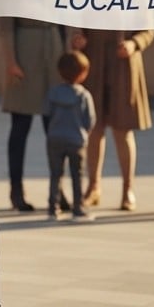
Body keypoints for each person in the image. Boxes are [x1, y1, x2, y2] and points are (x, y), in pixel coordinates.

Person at [71, 0, 153, 212]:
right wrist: (79, 39)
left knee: (122, 129)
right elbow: (77, 25)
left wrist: (134, 44)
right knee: (94, 129)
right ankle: (93, 187)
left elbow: (148, 30)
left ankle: (128, 190)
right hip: (93, 63)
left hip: (123, 66)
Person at [0, 0, 67, 212]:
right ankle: (16, 191)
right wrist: (12, 61)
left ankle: (58, 192)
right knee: (21, 127)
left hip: (53, 52)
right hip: (25, 54)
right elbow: (6, 25)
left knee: (57, 127)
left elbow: (65, 16)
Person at [44, 51, 97, 222]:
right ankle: (78, 208)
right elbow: (90, 120)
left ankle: (53, 208)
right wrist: (84, 133)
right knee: (77, 174)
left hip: (55, 139)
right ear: (83, 74)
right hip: (76, 140)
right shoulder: (83, 95)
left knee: (55, 174)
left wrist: (52, 130)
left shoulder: (53, 93)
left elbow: (47, 113)